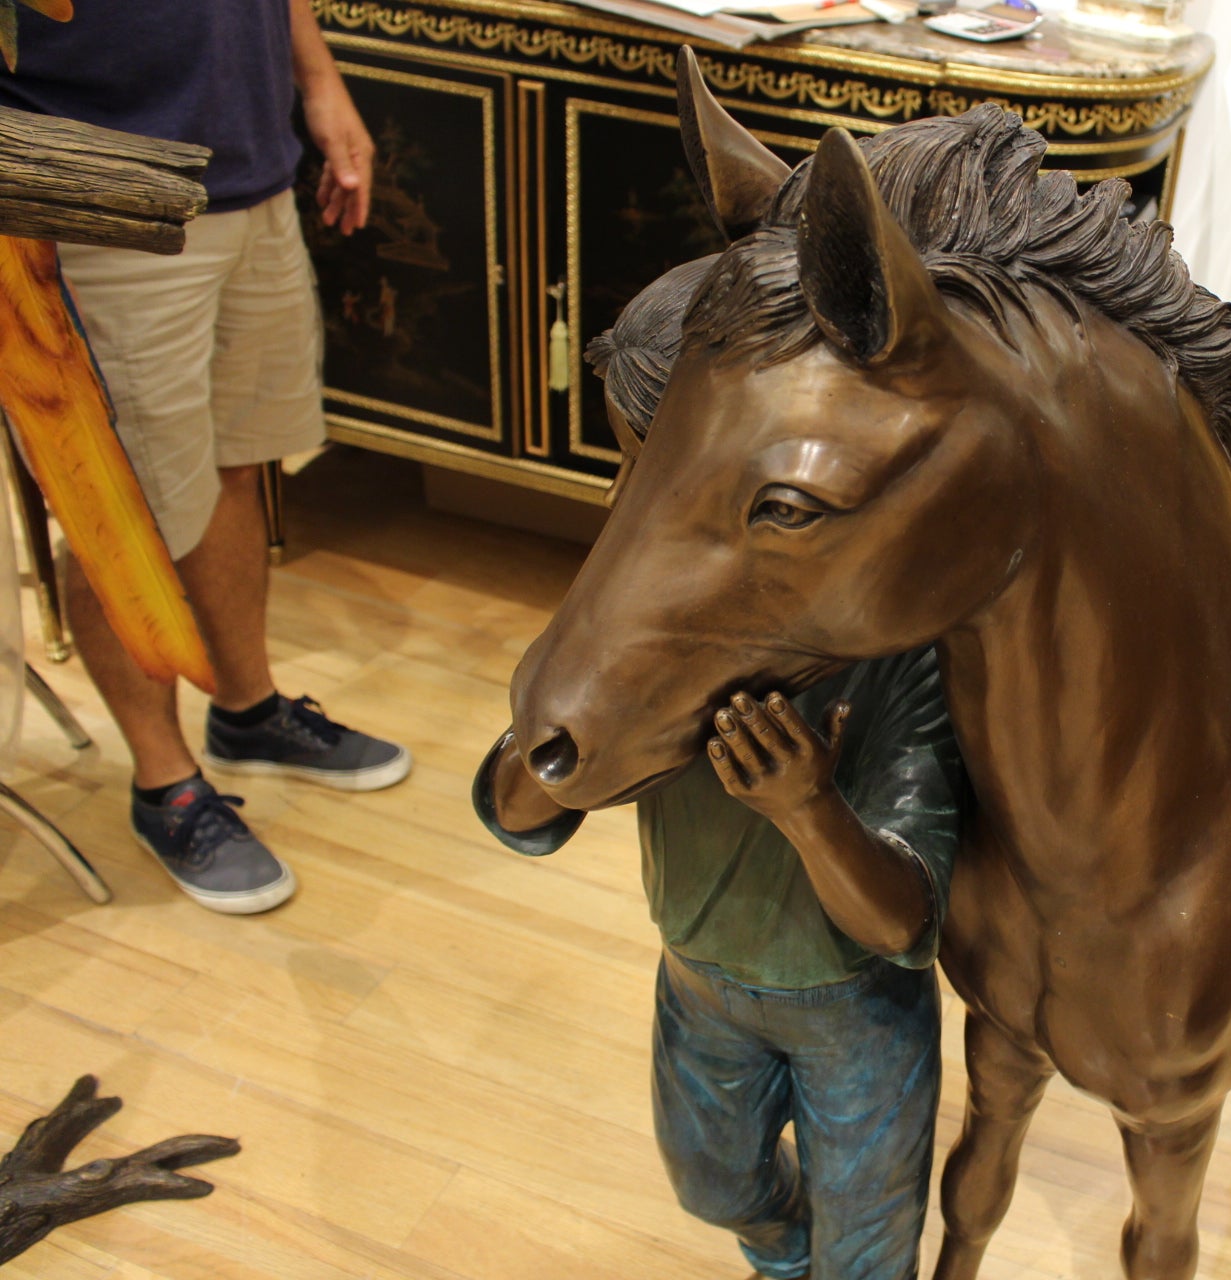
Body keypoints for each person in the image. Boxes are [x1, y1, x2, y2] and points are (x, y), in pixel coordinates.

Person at [474, 266, 964, 1280]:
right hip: (700, 981)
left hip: (855, 1012)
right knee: (710, 1182)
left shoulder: (894, 644)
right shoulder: (643, 638)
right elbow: (516, 811)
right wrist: (571, 707)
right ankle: (783, 1255)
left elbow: (907, 923)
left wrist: (807, 807)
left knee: (868, 1254)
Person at [0, 1, 410, 914]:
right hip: (95, 181)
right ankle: (163, 784)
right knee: (122, 518)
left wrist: (317, 78)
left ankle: (248, 709)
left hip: (247, 158)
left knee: (238, 461)